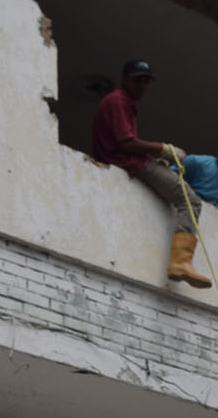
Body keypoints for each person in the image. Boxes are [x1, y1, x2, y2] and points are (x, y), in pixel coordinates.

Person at [89, 58, 209, 288]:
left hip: (127, 159)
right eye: (137, 81)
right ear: (125, 79)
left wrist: (160, 153)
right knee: (190, 200)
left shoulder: (122, 102)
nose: (141, 86)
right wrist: (163, 149)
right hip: (128, 161)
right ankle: (181, 263)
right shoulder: (117, 100)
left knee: (184, 195)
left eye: (145, 82)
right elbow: (126, 143)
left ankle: (181, 262)